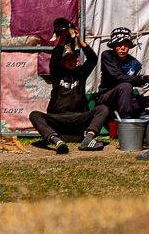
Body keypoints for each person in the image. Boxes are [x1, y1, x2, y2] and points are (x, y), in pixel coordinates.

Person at [28, 21, 108, 153]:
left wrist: (80, 41)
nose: (72, 61)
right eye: (68, 59)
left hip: (78, 118)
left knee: (103, 109)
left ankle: (88, 139)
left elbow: (92, 59)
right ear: (62, 61)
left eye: (74, 59)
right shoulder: (57, 74)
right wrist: (62, 38)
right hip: (58, 118)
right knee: (34, 115)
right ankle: (56, 141)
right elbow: (55, 57)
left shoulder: (80, 73)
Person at [96, 27, 149, 119]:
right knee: (125, 86)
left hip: (126, 99)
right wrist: (144, 78)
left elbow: (141, 86)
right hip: (106, 97)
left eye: (125, 45)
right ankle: (126, 120)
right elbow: (117, 77)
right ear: (113, 45)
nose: (122, 48)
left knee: (141, 104)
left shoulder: (134, 63)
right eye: (119, 44)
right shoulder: (107, 56)